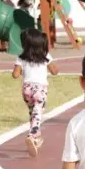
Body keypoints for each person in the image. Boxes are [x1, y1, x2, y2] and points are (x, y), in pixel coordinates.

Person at [12, 28, 60, 157]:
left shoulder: (21, 57)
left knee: (33, 113)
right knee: (38, 112)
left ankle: (37, 137)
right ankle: (32, 135)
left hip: (26, 89)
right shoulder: (45, 56)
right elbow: (55, 71)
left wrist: (23, 71)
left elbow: (15, 75)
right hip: (40, 89)